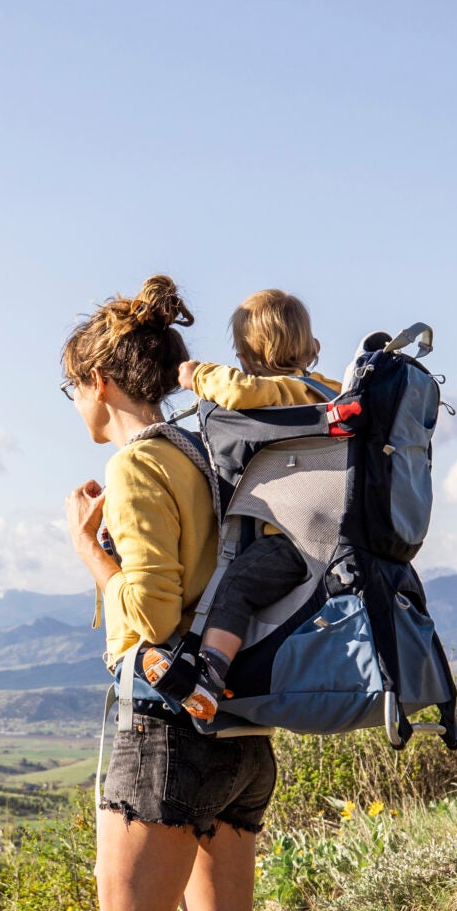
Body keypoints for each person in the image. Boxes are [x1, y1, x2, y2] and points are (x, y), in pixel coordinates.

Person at [60, 275, 277, 911]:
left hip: (163, 736)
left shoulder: (146, 464)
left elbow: (147, 616)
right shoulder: (207, 449)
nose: (75, 406)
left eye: (72, 388)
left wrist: (92, 558)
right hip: (239, 734)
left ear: (103, 380)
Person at [138, 287, 339, 722]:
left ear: (248, 356)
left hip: (292, 541)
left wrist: (195, 373)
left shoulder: (279, 392)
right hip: (335, 538)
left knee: (237, 585)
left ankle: (208, 676)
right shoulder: (331, 393)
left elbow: (236, 392)